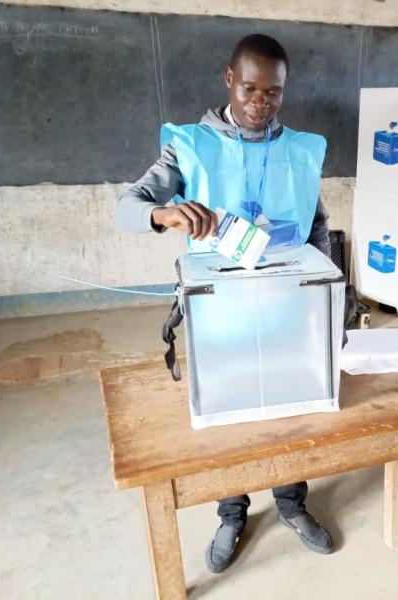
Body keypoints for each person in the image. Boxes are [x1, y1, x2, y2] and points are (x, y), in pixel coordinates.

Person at [114, 33, 334, 573]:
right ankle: (232, 513)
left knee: (288, 403)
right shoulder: (191, 145)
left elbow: (318, 224)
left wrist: (332, 300)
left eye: (274, 92)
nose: (261, 102)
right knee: (229, 411)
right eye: (251, 88)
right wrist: (165, 214)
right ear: (229, 79)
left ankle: (290, 504)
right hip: (219, 308)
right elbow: (127, 206)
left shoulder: (298, 151)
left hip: (287, 302)